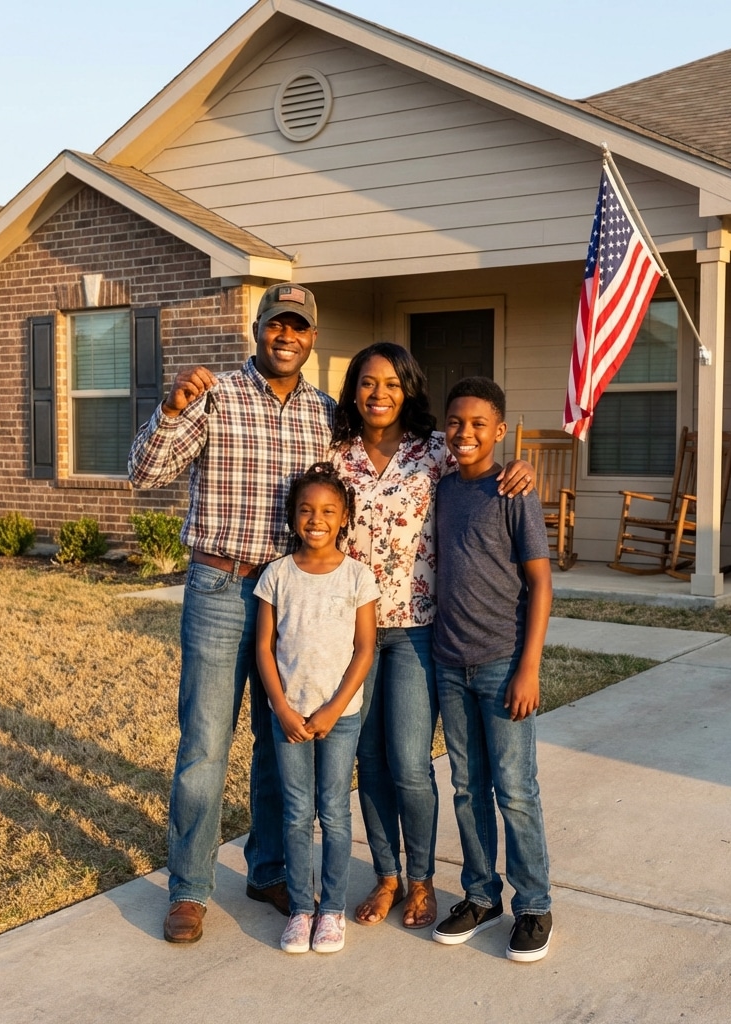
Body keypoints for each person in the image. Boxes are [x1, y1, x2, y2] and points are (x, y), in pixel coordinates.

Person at [127, 283, 333, 944]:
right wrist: (170, 407)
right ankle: (188, 888)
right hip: (219, 587)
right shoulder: (215, 397)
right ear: (258, 328)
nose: (286, 337)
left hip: (289, 594)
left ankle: (268, 869)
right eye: (277, 325)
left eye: (298, 328)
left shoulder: (325, 414)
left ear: (311, 338)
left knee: (279, 743)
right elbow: (144, 473)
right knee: (205, 744)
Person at [329, 344, 534, 930]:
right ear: (354, 390)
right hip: (354, 633)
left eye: (392, 384)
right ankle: (387, 875)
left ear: (408, 390)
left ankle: (422, 879)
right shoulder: (335, 455)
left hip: (419, 633)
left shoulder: (434, 451)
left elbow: (485, 461)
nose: (378, 394)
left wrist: (525, 467)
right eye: (368, 383)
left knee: (410, 765)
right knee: (368, 763)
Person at [430, 376, 554, 963]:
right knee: (465, 787)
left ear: (499, 431)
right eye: (456, 422)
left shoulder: (514, 492)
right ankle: (481, 896)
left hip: (503, 663)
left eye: (479, 424)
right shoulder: (443, 488)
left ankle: (533, 904)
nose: (465, 433)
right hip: (450, 662)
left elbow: (540, 582)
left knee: (516, 790)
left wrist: (528, 667)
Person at [254, 464, 379, 954]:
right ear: (292, 517)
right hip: (288, 716)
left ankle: (332, 911)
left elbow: (365, 649)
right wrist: (282, 709)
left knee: (333, 811)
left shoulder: (357, 577)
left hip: (340, 717)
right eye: (306, 509)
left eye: (328, 510)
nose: (316, 519)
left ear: (344, 517)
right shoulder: (277, 575)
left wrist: (332, 710)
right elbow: (264, 649)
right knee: (296, 812)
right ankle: (302, 908)